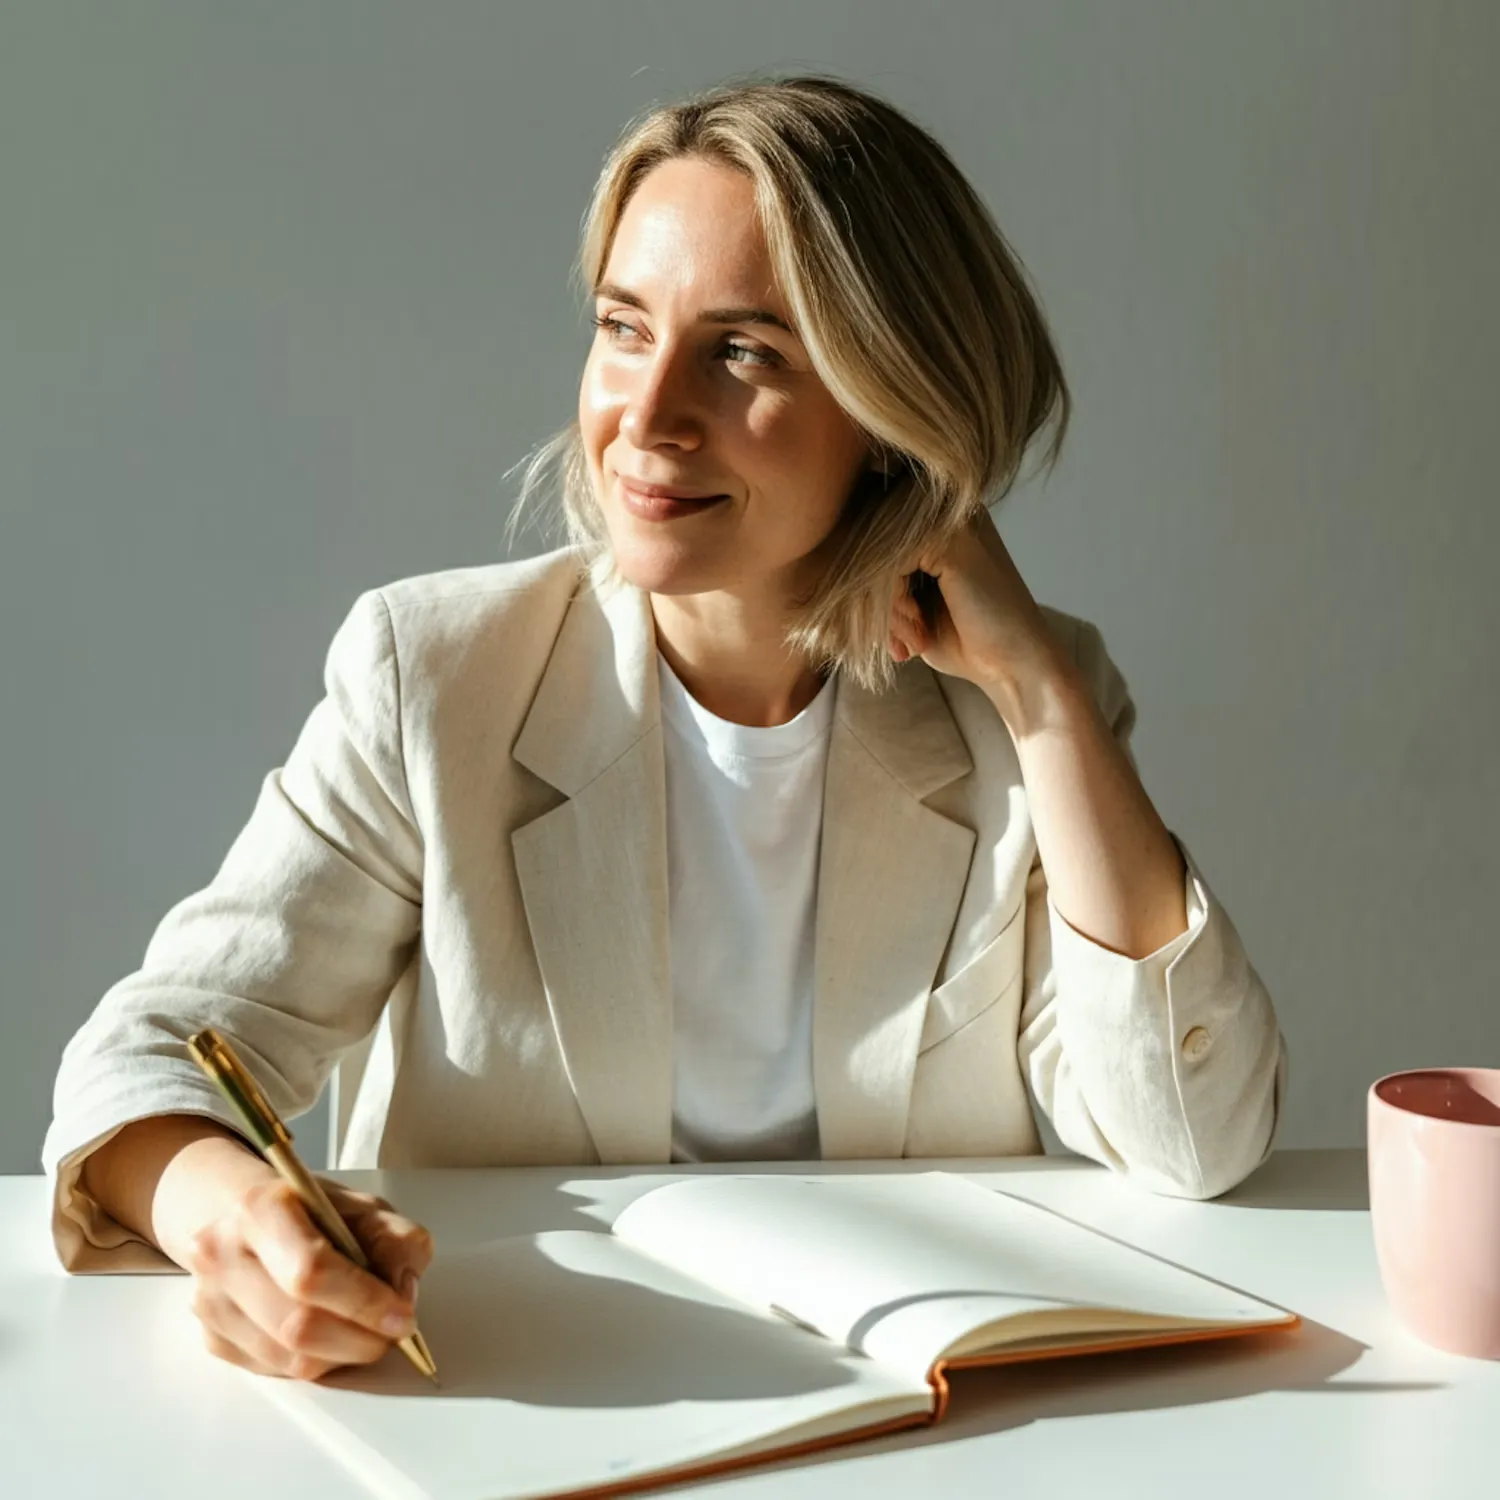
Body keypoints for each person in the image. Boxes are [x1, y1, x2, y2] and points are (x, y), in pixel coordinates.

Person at [42, 74, 1286, 1384]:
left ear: (892, 411)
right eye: (624, 328)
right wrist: (239, 1222)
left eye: (743, 351)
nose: (645, 414)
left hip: (906, 1426)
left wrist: (1040, 697)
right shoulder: (438, 680)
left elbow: (1194, 1137)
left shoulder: (1023, 713)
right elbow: (143, 1062)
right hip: (520, 1398)